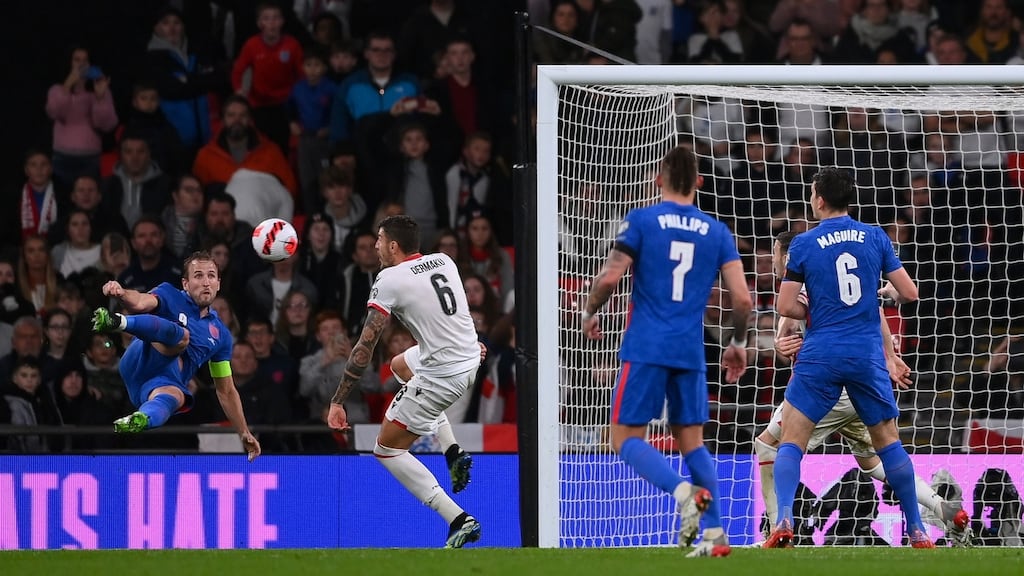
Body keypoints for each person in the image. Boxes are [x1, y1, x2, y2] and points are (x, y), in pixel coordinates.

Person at [579, 145, 752, 558]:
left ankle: (684, 493)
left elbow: (610, 276)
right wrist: (738, 342)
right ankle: (716, 537)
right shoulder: (717, 231)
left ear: (658, 179)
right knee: (693, 443)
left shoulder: (641, 220)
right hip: (691, 350)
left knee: (623, 438)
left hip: (647, 345)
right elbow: (743, 300)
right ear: (699, 183)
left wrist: (589, 311)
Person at [755, 230, 973, 546]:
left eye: (775, 252)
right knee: (873, 460)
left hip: (829, 381)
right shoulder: (843, 264)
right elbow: (883, 298)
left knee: (770, 445)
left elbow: (793, 309)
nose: (773, 260)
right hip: (864, 377)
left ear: (786, 255)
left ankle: (777, 527)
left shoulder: (804, 276)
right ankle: (940, 508)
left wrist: (782, 339)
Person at [765, 167, 930, 548]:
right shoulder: (875, 237)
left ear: (819, 199)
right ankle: (918, 529)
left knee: (791, 439)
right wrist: (879, 295)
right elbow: (909, 292)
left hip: (822, 351)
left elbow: (786, 305)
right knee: (888, 442)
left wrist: (820, 306)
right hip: (865, 352)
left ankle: (785, 521)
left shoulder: (804, 244)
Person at [326, 215, 482, 548]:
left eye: (379, 240)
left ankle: (458, 518)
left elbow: (364, 348)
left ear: (393, 246)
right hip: (469, 356)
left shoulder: (389, 279)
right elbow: (456, 316)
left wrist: (338, 399)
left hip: (443, 375)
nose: (376, 246)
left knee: (387, 449)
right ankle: (452, 450)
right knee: (399, 365)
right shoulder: (444, 260)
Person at [90, 250, 261, 461]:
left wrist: (243, 431)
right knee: (182, 336)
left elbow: (225, 390)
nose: (206, 282)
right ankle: (118, 322)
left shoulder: (222, 337)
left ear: (218, 283)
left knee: (178, 397)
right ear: (186, 284)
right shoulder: (168, 294)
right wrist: (122, 294)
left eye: (211, 276)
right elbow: (141, 302)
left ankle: (141, 418)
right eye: (198, 275)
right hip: (140, 359)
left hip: (159, 383)